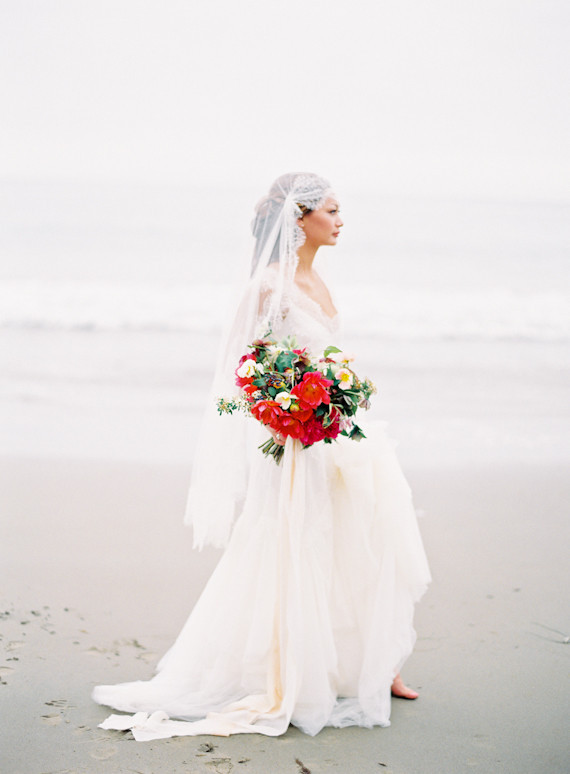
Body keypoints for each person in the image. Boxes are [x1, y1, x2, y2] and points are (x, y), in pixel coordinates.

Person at [92, 173, 431, 741]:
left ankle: (374, 665)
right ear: (299, 219)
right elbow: (245, 369)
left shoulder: (316, 278)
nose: (341, 219)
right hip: (297, 440)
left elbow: (326, 356)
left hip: (342, 430)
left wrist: (337, 397)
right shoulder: (268, 286)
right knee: (301, 541)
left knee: (366, 534)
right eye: (332, 209)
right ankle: (290, 671)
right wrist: (291, 410)